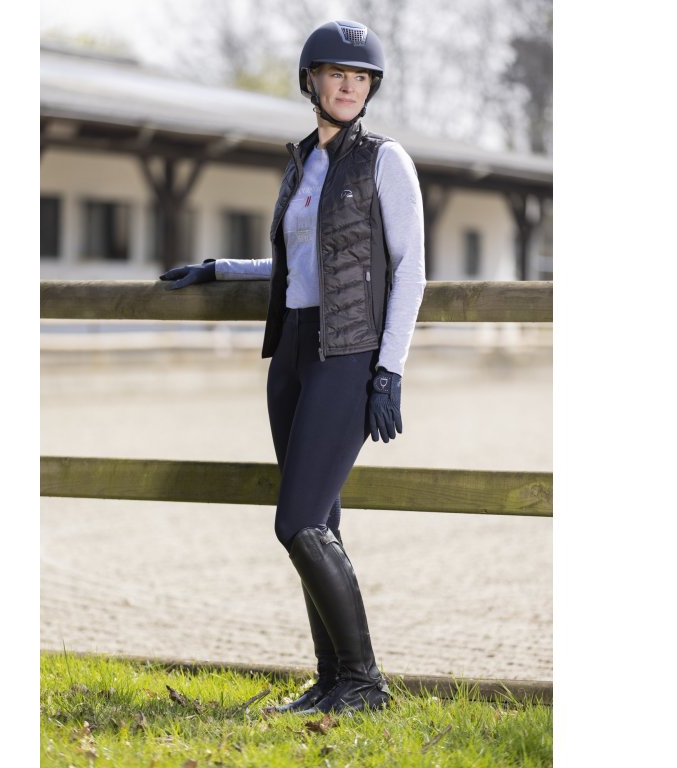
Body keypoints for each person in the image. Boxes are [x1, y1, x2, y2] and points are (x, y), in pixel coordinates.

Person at [160, 19, 426, 715]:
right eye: (337, 74)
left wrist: (388, 370)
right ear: (311, 80)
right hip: (293, 353)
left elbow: (411, 271)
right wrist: (222, 268)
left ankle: (364, 681)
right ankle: (331, 680)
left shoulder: (386, 161)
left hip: (348, 353)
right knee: (321, 521)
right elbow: (298, 261)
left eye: (360, 77)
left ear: (371, 89)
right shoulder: (303, 161)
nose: (348, 86)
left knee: (297, 522)